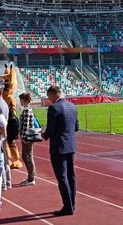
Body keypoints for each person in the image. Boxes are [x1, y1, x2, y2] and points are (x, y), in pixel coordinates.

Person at [42, 86, 79, 216]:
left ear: (53, 95)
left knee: (62, 177)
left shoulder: (54, 108)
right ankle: (72, 204)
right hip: (70, 145)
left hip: (58, 146)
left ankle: (68, 206)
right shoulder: (72, 106)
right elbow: (76, 127)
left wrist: (43, 135)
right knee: (71, 175)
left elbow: (50, 129)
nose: (49, 100)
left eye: (49, 97)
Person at [18, 92, 36, 186]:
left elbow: (26, 125)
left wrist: (24, 137)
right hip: (29, 136)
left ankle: (31, 178)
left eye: (20, 100)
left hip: (27, 137)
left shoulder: (26, 110)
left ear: (24, 100)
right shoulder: (29, 109)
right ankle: (30, 176)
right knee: (27, 156)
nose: (19, 102)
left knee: (27, 156)